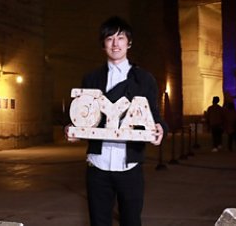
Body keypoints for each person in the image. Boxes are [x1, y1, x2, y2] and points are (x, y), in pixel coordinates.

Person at [65, 16, 167, 226]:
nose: (115, 43)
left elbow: (155, 115)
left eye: (120, 38)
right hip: (97, 166)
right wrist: (70, 129)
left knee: (131, 221)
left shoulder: (144, 79)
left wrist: (160, 129)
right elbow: (81, 117)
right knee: (99, 222)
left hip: (129, 165)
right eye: (109, 38)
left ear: (129, 42)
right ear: (103, 44)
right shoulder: (91, 78)